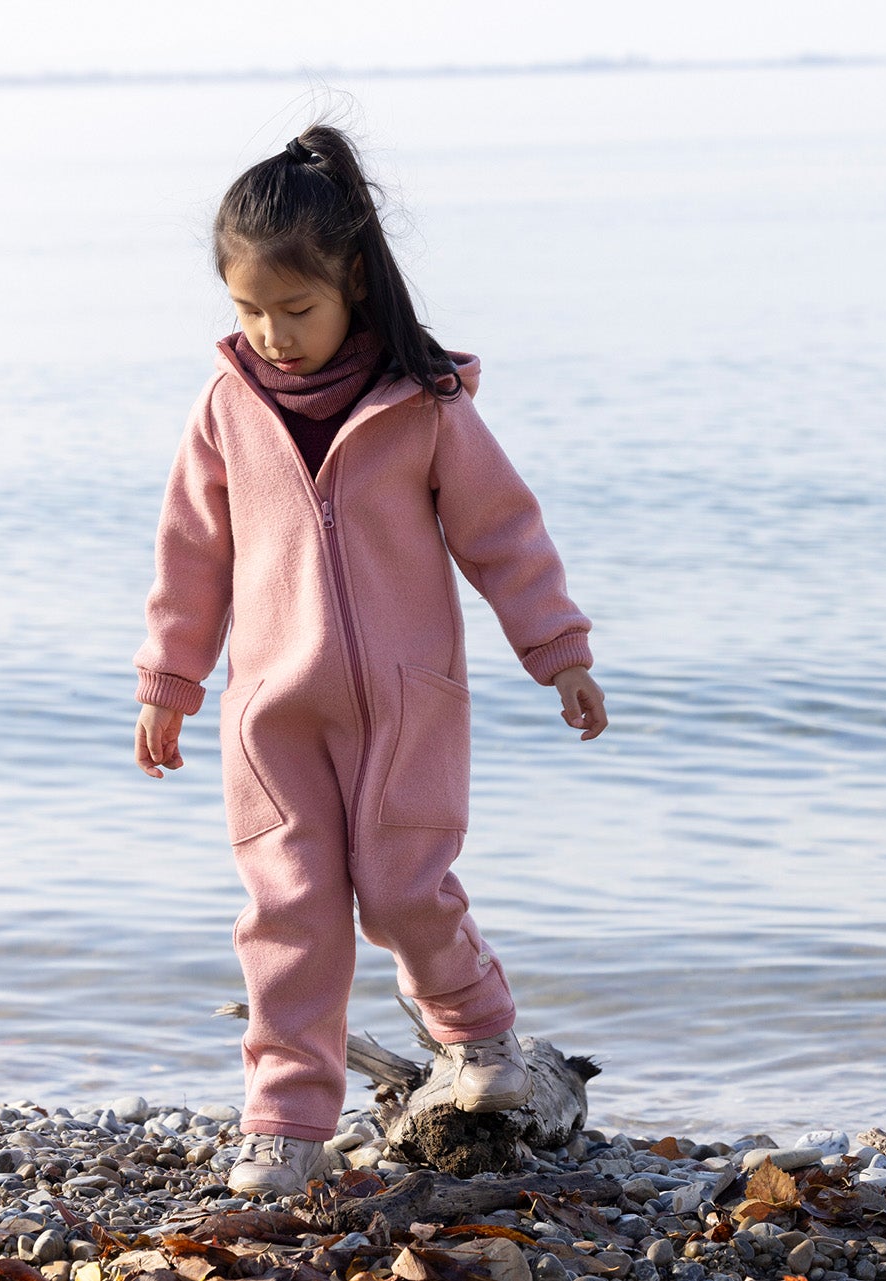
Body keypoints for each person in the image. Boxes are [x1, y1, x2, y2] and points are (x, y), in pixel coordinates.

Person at [131, 124, 607, 1200]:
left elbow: (504, 536)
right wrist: (170, 681)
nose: (273, 335)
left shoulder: (424, 404)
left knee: (402, 891)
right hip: (271, 714)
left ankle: (481, 1040)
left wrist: (560, 652)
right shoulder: (225, 410)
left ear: (352, 281)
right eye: (249, 311)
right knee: (288, 910)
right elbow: (191, 555)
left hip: (407, 705)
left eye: (295, 310)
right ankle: (286, 1126)